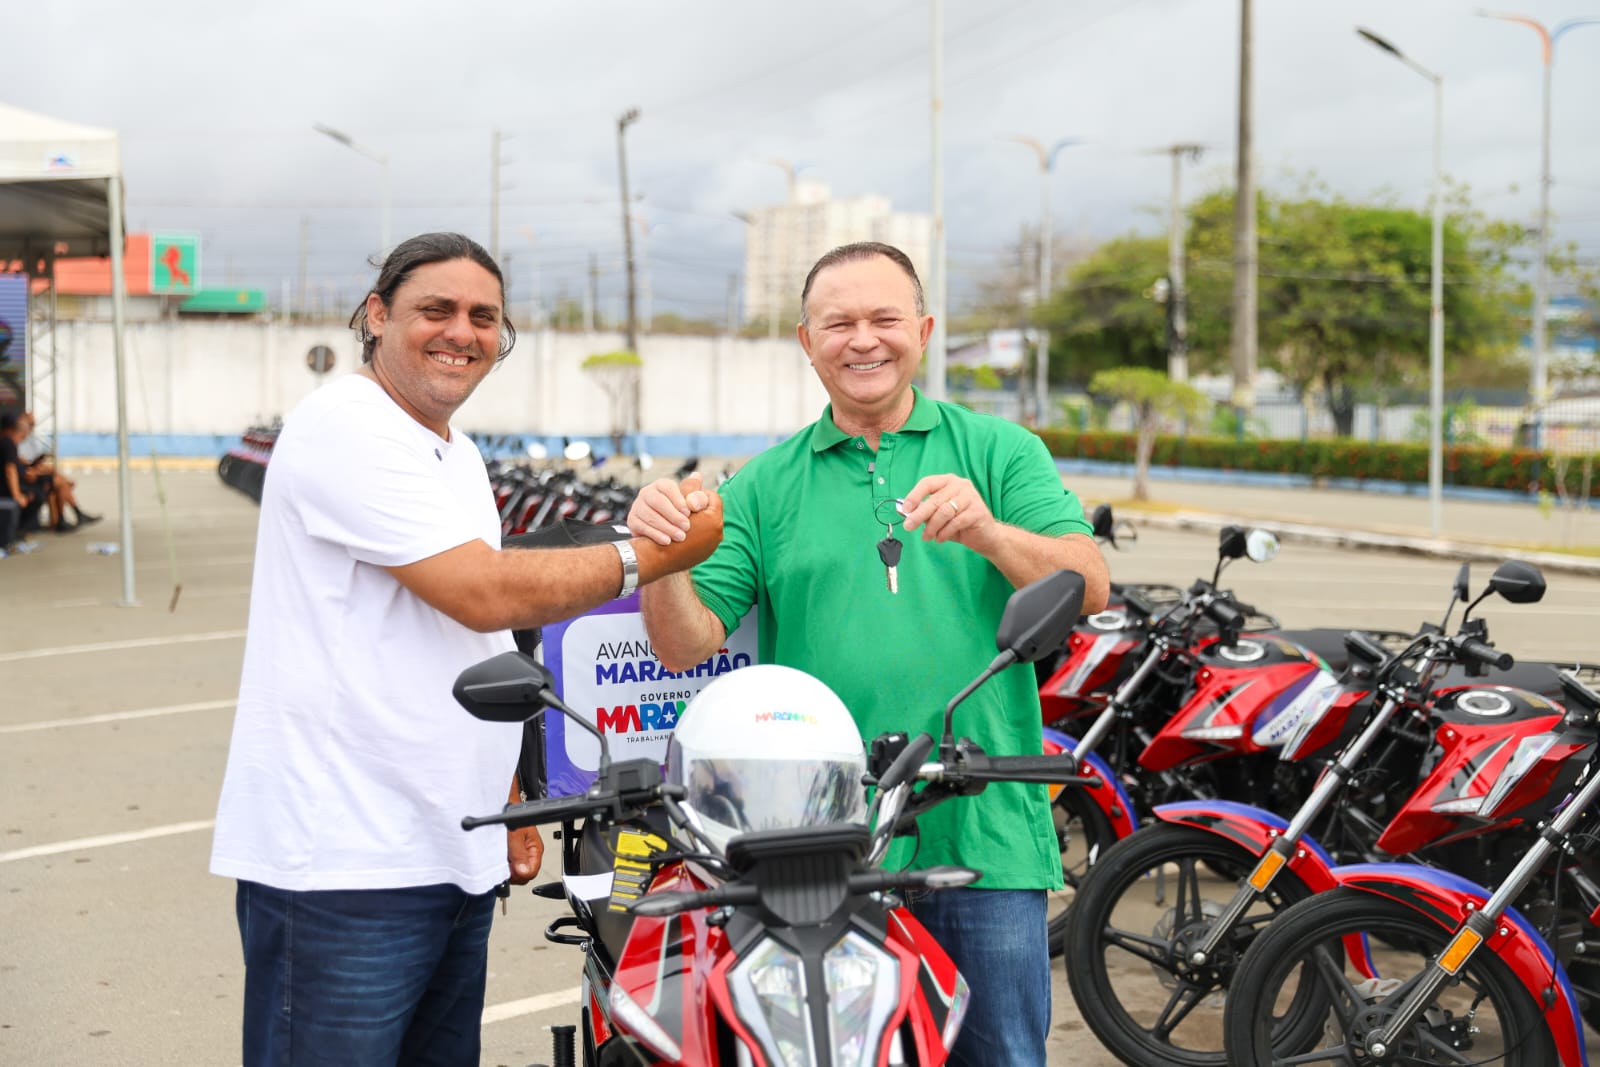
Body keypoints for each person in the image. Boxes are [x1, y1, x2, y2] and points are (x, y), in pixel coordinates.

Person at [209, 232, 721, 1067]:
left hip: (446, 850)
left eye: (484, 316)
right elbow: (485, 591)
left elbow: (474, 638)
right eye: (436, 309)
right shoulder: (347, 422)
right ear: (377, 315)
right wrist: (649, 555)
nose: (462, 331)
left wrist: (508, 793)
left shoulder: (455, 450)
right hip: (344, 866)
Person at [627, 241, 1109, 1067]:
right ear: (806, 342)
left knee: (1002, 1056)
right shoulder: (762, 484)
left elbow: (1088, 584)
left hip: (983, 832)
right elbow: (684, 642)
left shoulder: (1002, 450)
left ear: (922, 331)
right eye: (838, 322)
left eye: (885, 318)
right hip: (814, 846)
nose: (863, 339)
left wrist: (989, 531)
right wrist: (661, 556)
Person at [14, 411, 100, 532]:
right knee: (60, 483)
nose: (31, 427)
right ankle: (72, 515)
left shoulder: (28, 440)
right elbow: (17, 466)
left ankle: (63, 519)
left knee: (57, 483)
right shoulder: (14, 442)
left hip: (29, 474)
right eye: (30, 424)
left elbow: (27, 464)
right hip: (24, 478)